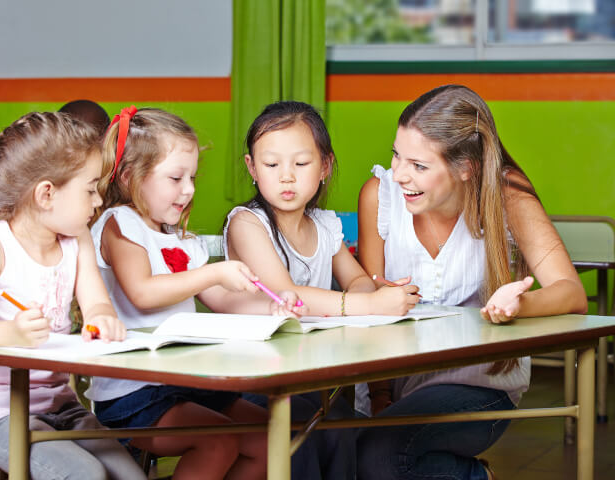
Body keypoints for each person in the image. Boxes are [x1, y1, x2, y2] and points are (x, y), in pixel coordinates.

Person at [355, 84, 587, 480]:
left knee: (382, 454)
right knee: (353, 455)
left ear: (467, 167)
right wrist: (378, 396)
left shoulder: (508, 200)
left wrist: (517, 306)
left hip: (480, 381)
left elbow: (572, 292)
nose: (399, 174)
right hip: (396, 382)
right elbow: (370, 307)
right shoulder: (380, 196)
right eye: (396, 155)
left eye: (419, 165)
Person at [88, 106, 303, 480]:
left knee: (271, 436)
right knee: (217, 444)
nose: (188, 189)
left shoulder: (176, 237)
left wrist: (269, 307)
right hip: (134, 389)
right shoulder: (119, 224)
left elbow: (218, 299)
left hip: (185, 380)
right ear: (128, 176)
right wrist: (211, 273)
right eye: (175, 178)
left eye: (192, 177)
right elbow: (142, 292)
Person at [0, 112, 146, 480]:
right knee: (85, 475)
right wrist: (11, 334)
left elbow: (96, 303)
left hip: (61, 406)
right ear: (46, 194)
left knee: (129, 475)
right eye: (89, 189)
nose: (98, 200)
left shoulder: (77, 240)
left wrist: (102, 318)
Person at [223, 101, 418, 479]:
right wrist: (369, 305)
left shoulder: (324, 226)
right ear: (251, 168)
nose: (287, 177)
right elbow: (286, 295)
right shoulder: (247, 224)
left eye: (301, 163)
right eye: (272, 164)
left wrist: (375, 291)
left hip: (311, 376)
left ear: (325, 166)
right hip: (259, 377)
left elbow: (357, 280)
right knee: (303, 432)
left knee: (342, 427)